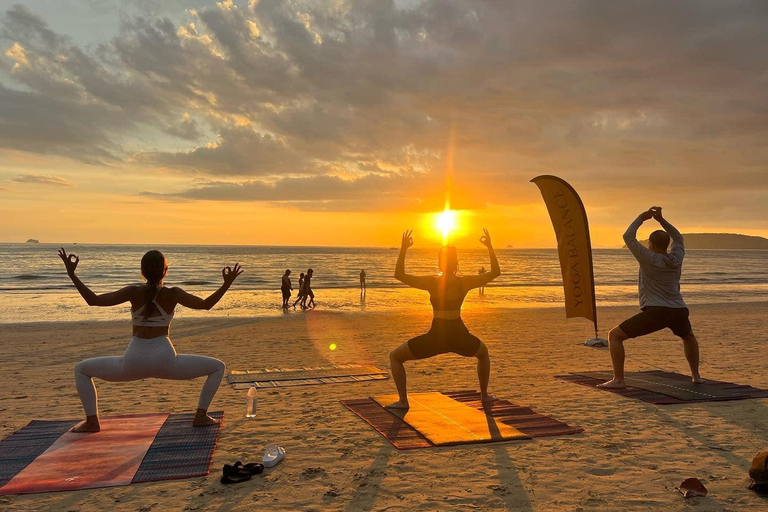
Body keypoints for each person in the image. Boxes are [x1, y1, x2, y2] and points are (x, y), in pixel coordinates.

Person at [58, 248, 242, 432]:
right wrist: (227, 284)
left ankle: (92, 421)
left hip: (133, 361)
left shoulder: (132, 292)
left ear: (142, 272)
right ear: (165, 270)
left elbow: (94, 300)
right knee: (218, 367)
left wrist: (72, 274)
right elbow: (206, 304)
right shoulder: (173, 294)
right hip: (166, 360)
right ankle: (201, 416)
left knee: (81, 369)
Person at [387, 229, 500, 409]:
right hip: (459, 336)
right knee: (483, 353)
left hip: (436, 338)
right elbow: (495, 272)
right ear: (456, 263)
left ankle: (403, 401)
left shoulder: (433, 282)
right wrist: (489, 246)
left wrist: (404, 249)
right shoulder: (464, 282)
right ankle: (484, 395)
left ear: (440, 263)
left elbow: (399, 275)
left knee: (395, 357)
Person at [599, 207, 703, 389]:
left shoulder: (649, 258)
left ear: (652, 245)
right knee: (688, 336)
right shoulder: (676, 258)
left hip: (656, 311)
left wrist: (642, 217)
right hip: (678, 309)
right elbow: (678, 238)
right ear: (666, 244)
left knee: (614, 336)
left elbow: (628, 237)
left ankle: (618, 380)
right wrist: (661, 220)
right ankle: (696, 376)